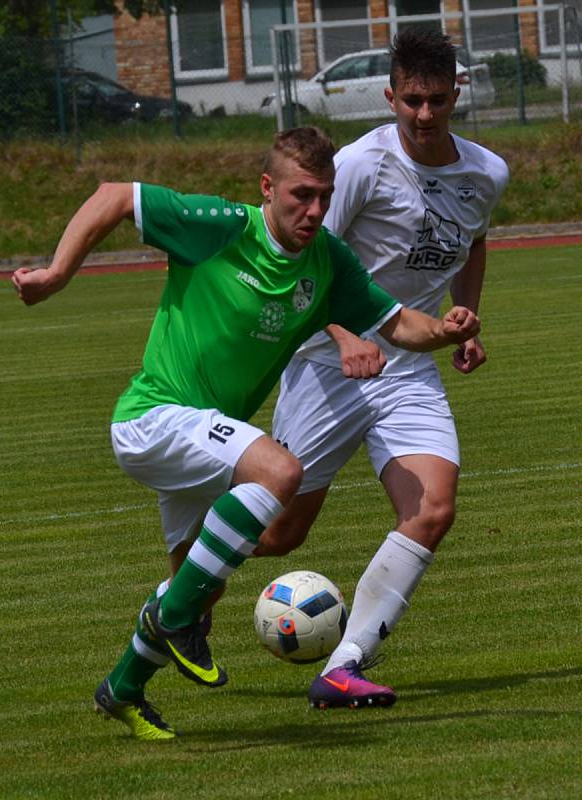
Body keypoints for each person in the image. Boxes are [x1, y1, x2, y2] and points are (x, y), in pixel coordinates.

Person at [13, 126, 480, 741]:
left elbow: (398, 326)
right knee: (279, 473)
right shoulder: (224, 225)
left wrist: (447, 330)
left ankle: (122, 688)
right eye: (300, 195)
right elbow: (114, 195)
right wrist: (55, 275)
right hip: (152, 416)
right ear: (268, 188)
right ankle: (172, 616)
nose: (314, 211)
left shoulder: (329, 261)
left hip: (201, 435)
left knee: (197, 586)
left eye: (323, 197)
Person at [255, 29, 510, 710]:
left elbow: (475, 239)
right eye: (411, 101)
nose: (423, 115)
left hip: (408, 366)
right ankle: (182, 583)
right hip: (326, 365)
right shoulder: (361, 165)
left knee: (433, 508)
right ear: (391, 95)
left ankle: (344, 664)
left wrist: (464, 318)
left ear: (456, 93)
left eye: (436, 100)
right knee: (281, 534)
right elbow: (306, 257)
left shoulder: (487, 172)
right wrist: (342, 335)